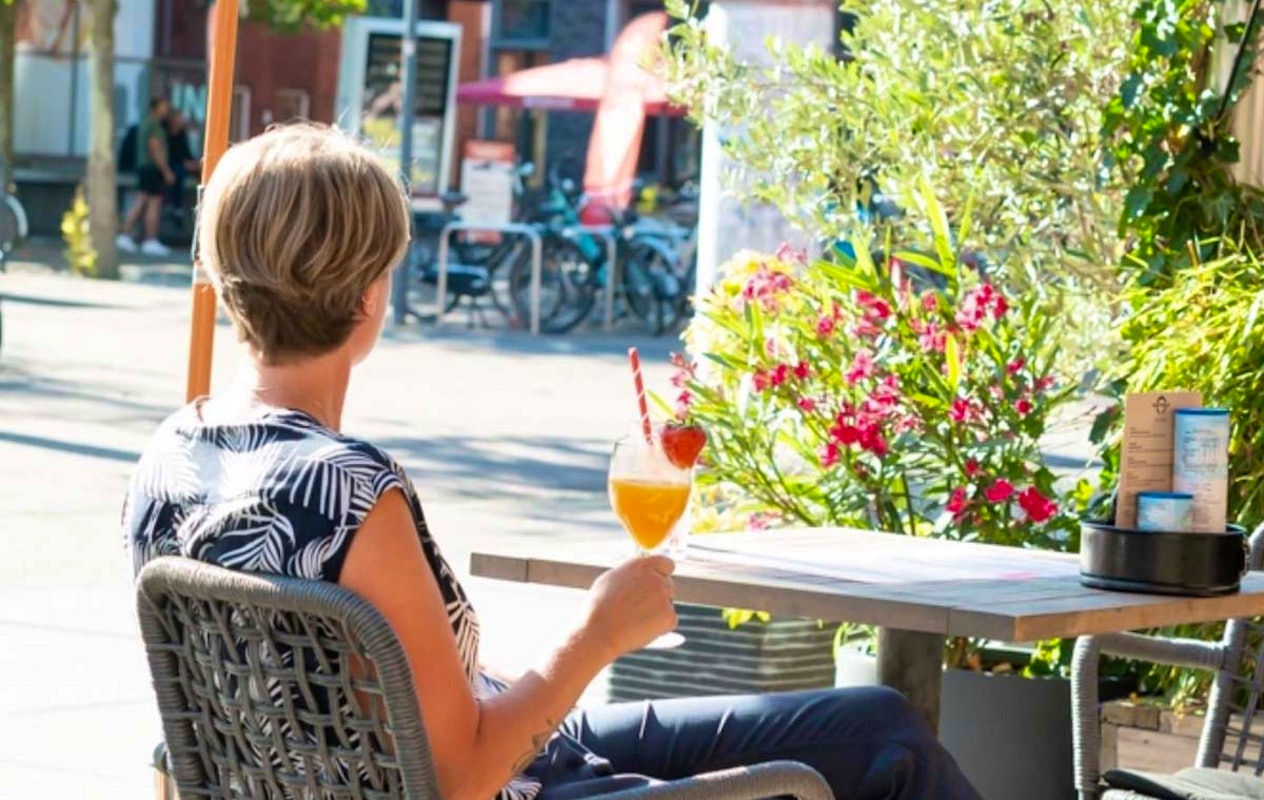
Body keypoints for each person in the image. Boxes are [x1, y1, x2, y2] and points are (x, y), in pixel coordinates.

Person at [122, 123, 982, 800]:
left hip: (403, 767)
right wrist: (598, 633)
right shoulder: (351, 489)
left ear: (219, 272)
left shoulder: (168, 459)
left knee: (873, 717)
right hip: (506, 780)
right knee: (886, 748)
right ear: (369, 294)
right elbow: (459, 779)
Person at [116, 98, 174, 257]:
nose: (166, 111)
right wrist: (166, 170)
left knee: (141, 201)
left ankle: (126, 235)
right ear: (156, 107)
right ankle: (149, 240)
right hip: (152, 169)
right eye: (164, 107)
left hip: (146, 168)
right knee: (152, 203)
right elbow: (155, 148)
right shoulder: (153, 125)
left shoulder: (147, 123)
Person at [163, 110, 200, 219]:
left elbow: (186, 152)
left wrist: (193, 163)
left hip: (184, 163)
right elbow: (169, 155)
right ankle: (176, 207)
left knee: (201, 171)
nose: (182, 121)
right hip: (172, 165)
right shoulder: (166, 133)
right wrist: (185, 163)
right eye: (179, 118)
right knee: (177, 174)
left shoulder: (182, 133)